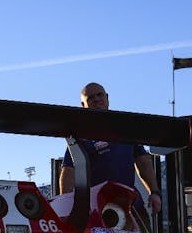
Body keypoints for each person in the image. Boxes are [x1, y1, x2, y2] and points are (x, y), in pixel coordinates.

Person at [59, 82, 162, 220]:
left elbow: (143, 162)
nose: (96, 99)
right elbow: (68, 172)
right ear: (83, 105)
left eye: (99, 95)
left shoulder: (125, 127)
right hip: (97, 211)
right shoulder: (80, 137)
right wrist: (64, 208)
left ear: (107, 97)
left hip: (131, 207)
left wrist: (154, 192)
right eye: (90, 98)